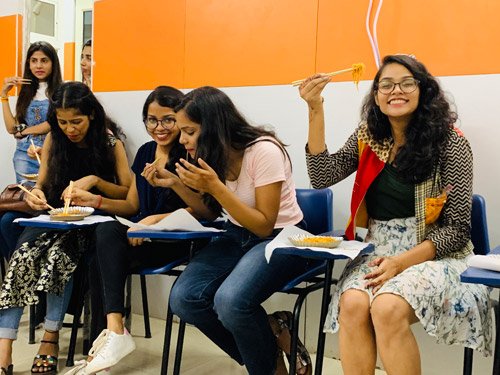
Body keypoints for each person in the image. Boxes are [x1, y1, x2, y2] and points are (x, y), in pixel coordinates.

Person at [299, 54, 492, 375]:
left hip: (435, 253)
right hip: (379, 249)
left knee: (387, 307)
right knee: (353, 304)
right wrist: (315, 108)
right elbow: (322, 176)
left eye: (406, 83)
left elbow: (457, 229)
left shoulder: (451, 143)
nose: (395, 91)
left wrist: (401, 263)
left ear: (424, 90)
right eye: (385, 85)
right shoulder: (368, 136)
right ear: (375, 96)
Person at [166, 86, 314, 375]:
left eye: (189, 131)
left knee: (230, 302)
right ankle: (269, 348)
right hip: (236, 235)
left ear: (213, 127)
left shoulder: (264, 150)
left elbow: (263, 224)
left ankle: (267, 359)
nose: (182, 139)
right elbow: (211, 211)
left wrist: (216, 188)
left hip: (283, 237)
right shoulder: (211, 153)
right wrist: (175, 184)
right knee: (183, 299)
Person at [62, 86, 209, 375]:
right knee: (99, 245)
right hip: (138, 235)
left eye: (168, 120)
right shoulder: (144, 152)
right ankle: (109, 339)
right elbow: (132, 205)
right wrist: (96, 201)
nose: (160, 128)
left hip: (177, 239)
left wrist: (151, 222)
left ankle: (111, 340)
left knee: (102, 254)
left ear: (180, 118)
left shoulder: (190, 152)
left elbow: (204, 210)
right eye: (151, 120)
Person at [0, 81, 131, 375]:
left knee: (58, 258)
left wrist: (95, 181)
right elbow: (43, 184)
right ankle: (4, 350)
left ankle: (50, 338)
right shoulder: (54, 140)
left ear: (92, 116)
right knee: (21, 256)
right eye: (62, 122)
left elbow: (127, 194)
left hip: (90, 221)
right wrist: (37, 195)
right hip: (54, 216)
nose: (70, 129)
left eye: (76, 121)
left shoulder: (111, 143)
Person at [0, 41, 63, 260]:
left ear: (53, 63)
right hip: (23, 157)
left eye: (44, 60)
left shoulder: (59, 92)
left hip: (47, 156)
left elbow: (52, 124)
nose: (39, 65)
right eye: (34, 60)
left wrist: (25, 131)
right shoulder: (26, 93)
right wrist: (4, 95)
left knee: (43, 207)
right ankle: (20, 272)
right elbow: (11, 128)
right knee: (12, 218)